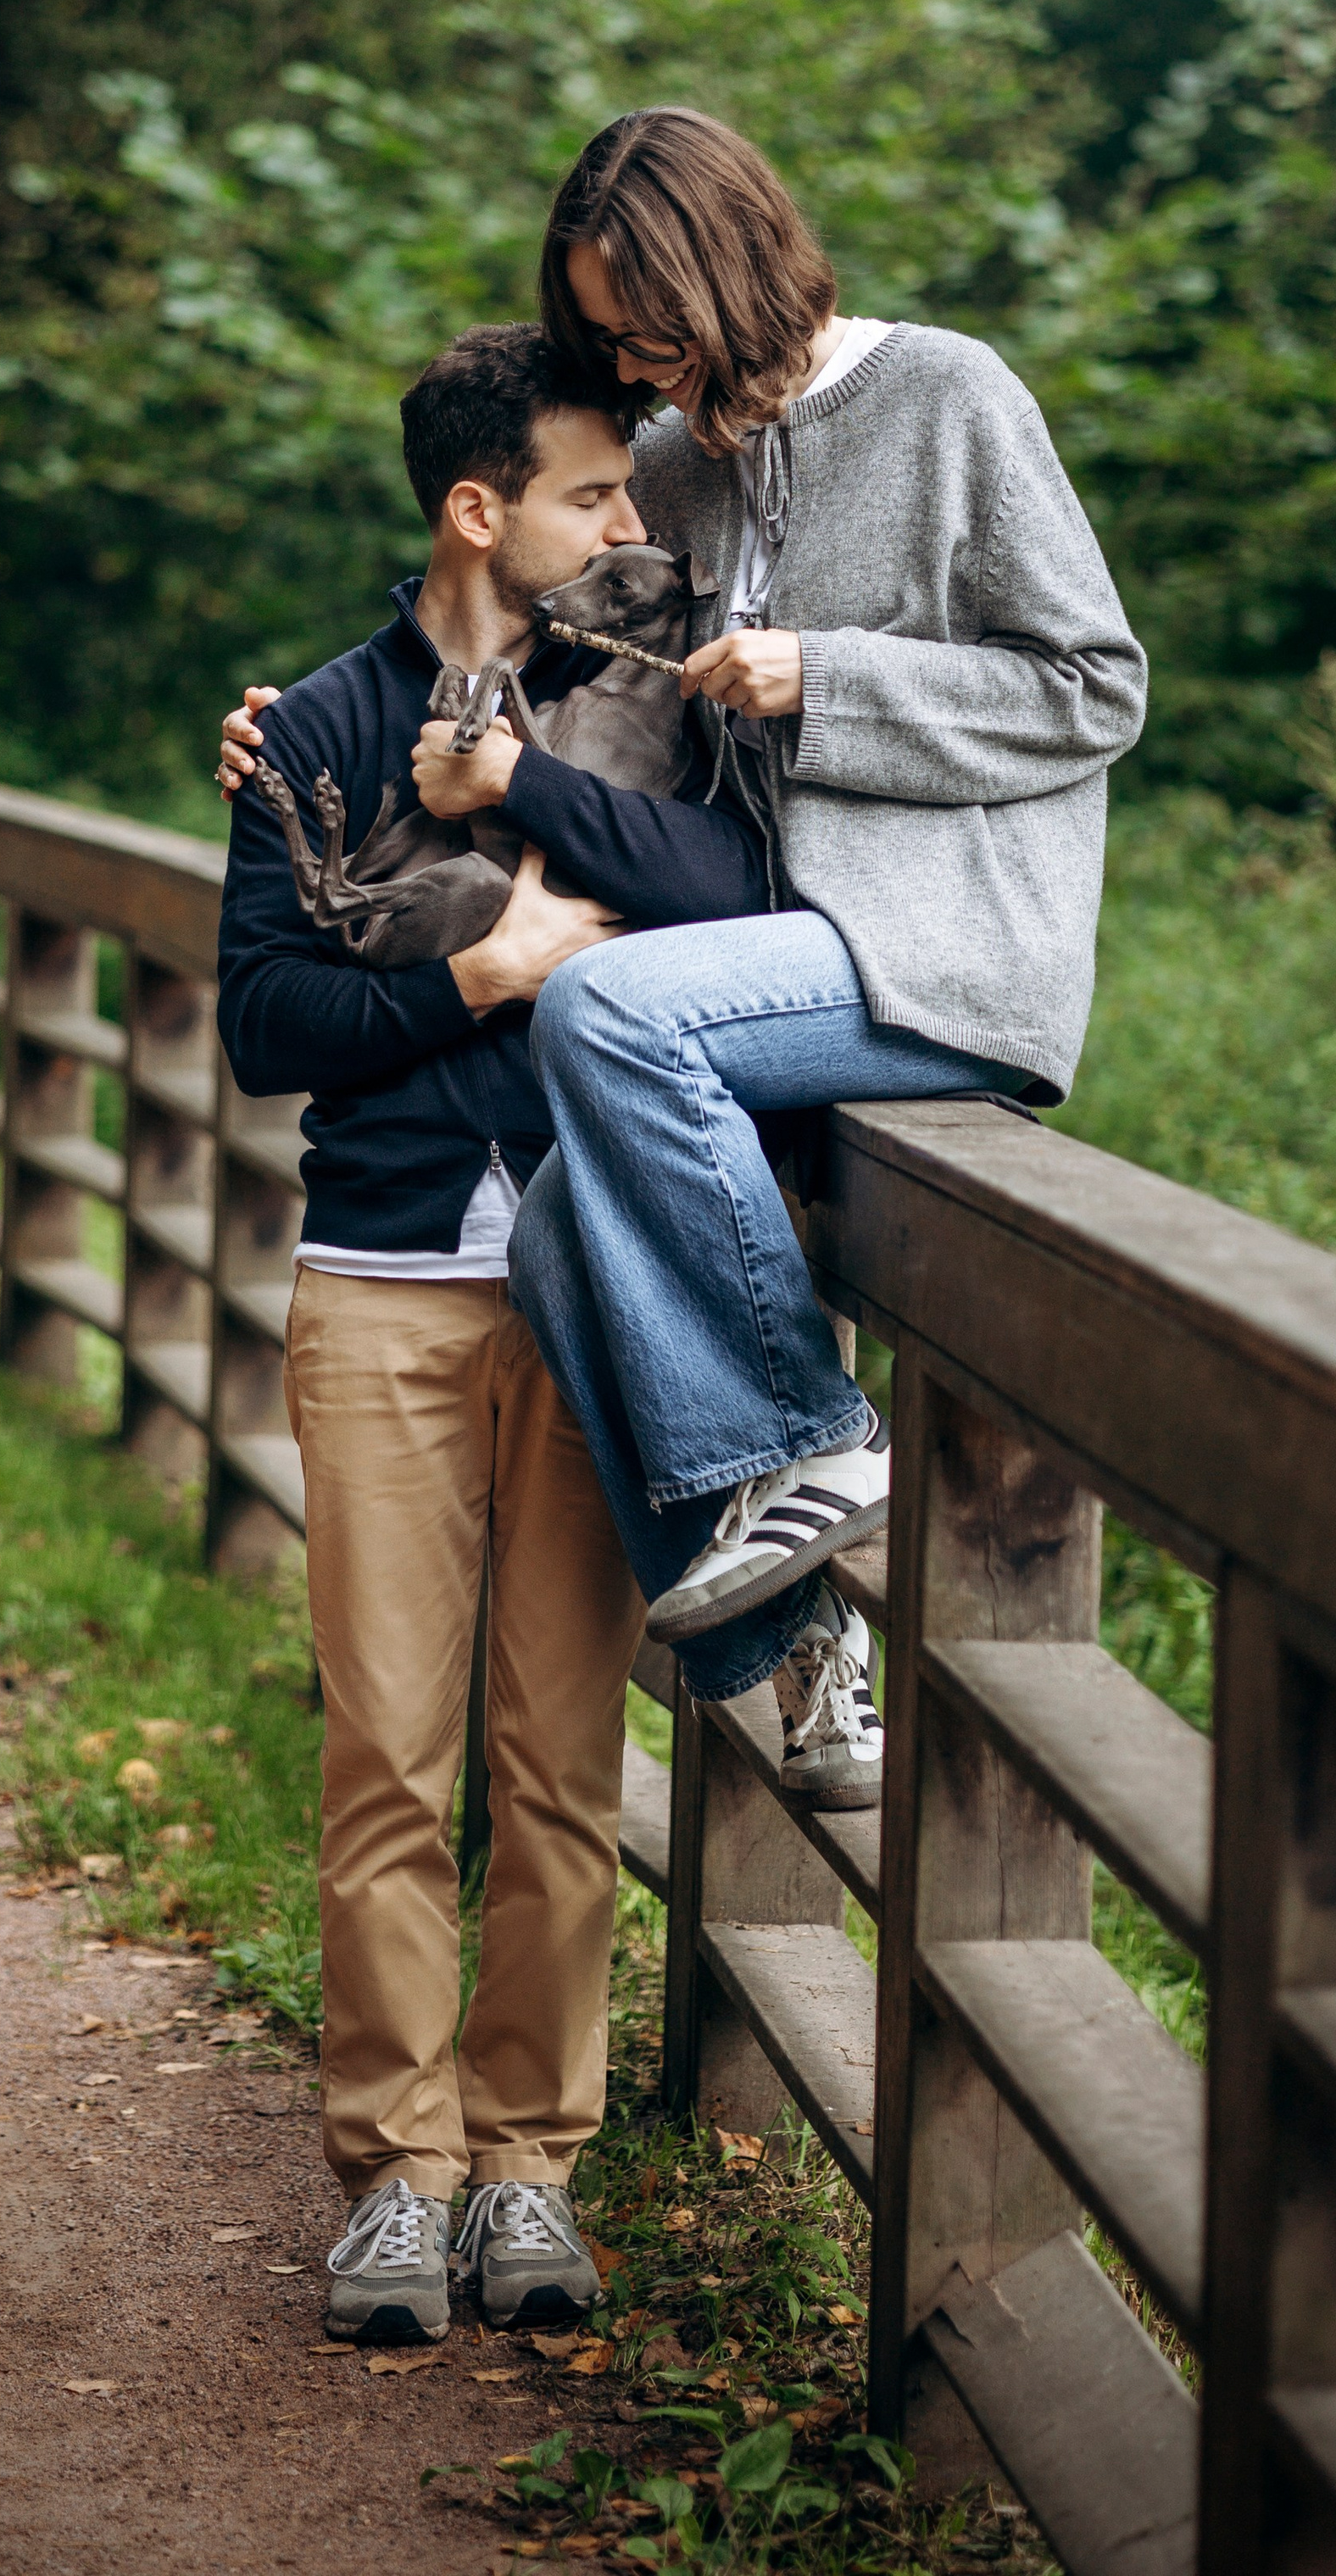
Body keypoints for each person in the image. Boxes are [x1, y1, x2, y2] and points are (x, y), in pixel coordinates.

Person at [214, 320, 776, 2351]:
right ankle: (393, 2176)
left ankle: (527, 2168)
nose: (630, 521)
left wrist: (556, 877)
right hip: (381, 1285)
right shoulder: (318, 728)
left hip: (599, 1287)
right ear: (480, 512)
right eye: (591, 492)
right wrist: (497, 971)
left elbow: (736, 890)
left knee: (556, 1760)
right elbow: (266, 1026)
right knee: (388, 1749)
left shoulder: (643, 715)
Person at [500, 106, 1146, 1743]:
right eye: (606, 339)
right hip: (761, 951)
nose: (635, 368)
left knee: (606, 1015)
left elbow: (1095, 687)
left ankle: (814, 1435)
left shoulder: (950, 396)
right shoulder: (669, 465)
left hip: (943, 954)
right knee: (559, 1232)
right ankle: (792, 1666)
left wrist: (829, 679)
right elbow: (504, 620)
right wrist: (306, 732)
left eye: (648, 327)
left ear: (728, 270)